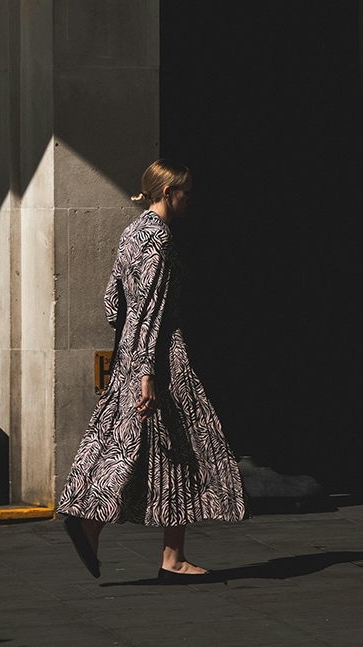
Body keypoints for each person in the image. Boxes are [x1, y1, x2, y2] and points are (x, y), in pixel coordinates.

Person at [58, 159, 247, 582]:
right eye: (186, 193)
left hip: (131, 353)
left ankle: (109, 529)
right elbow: (149, 310)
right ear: (167, 193)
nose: (189, 200)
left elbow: (113, 303)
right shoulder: (158, 239)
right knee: (184, 450)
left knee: (140, 447)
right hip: (160, 358)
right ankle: (149, 547)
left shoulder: (132, 232)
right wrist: (147, 371)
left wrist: (130, 355)